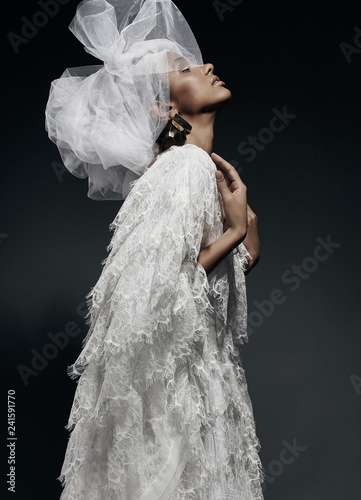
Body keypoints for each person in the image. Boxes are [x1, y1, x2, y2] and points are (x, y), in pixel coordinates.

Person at [45, 1, 265, 498]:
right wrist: (234, 232)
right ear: (165, 108)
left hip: (199, 370)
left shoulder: (190, 168)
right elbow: (158, 289)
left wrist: (246, 227)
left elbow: (212, 279)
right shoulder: (183, 166)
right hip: (182, 383)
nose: (207, 65)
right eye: (185, 68)